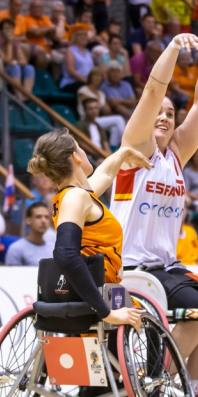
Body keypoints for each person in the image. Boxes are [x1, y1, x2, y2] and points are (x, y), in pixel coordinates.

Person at [110, 19, 198, 397]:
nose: (164, 116)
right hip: (131, 267)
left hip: (165, 268)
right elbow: (151, 92)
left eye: (170, 114)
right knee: (197, 312)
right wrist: (174, 49)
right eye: (159, 113)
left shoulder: (175, 154)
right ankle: (150, 388)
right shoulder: (135, 150)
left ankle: (190, 391)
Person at [27, 129, 148, 330]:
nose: (85, 152)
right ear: (75, 156)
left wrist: (124, 153)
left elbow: (107, 173)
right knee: (150, 320)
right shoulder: (76, 197)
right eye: (81, 148)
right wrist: (106, 312)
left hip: (97, 290)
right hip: (101, 293)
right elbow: (65, 255)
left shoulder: (78, 195)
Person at [6, 202, 56, 266]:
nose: (43, 221)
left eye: (46, 217)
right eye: (38, 217)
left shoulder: (54, 249)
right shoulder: (16, 249)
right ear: (28, 220)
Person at [60, 27, 94, 94]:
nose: (83, 37)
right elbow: (71, 70)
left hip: (86, 82)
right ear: (75, 37)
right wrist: (84, 79)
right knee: (85, 88)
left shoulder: (88, 52)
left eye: (85, 35)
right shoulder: (70, 50)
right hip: (71, 82)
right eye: (80, 35)